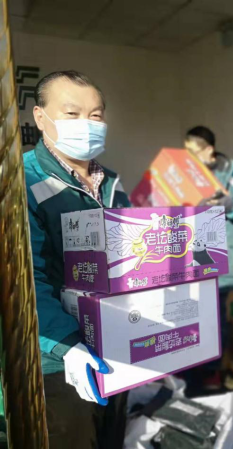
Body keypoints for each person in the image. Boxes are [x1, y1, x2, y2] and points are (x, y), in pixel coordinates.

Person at [1, 71, 130, 448]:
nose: (86, 124)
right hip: (55, 359)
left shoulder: (112, 183)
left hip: (114, 346)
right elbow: (23, 283)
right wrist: (67, 345)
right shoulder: (19, 181)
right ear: (41, 118)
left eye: (95, 115)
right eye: (72, 114)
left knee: (111, 439)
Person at [184, 126, 233, 388]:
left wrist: (229, 204)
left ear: (209, 150)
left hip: (216, 256)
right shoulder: (185, 174)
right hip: (186, 255)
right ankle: (189, 374)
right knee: (187, 316)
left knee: (214, 319)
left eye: (194, 152)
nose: (190, 157)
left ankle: (213, 375)